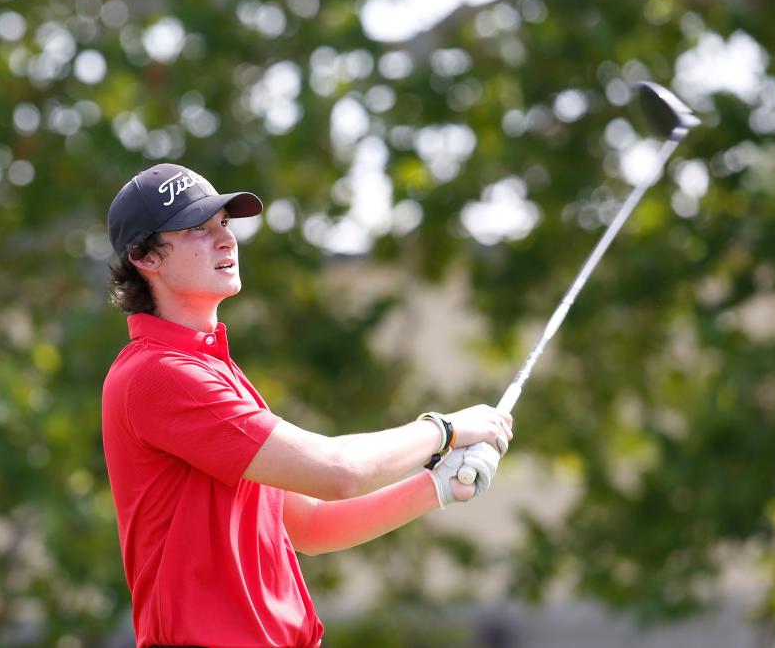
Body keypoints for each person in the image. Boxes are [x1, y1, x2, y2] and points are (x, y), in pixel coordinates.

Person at [101, 163, 513, 648]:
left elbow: (312, 524)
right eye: (196, 228)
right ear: (145, 256)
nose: (225, 240)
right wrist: (444, 430)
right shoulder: (160, 374)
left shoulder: (213, 368)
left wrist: (438, 485)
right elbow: (337, 471)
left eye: (225, 225)